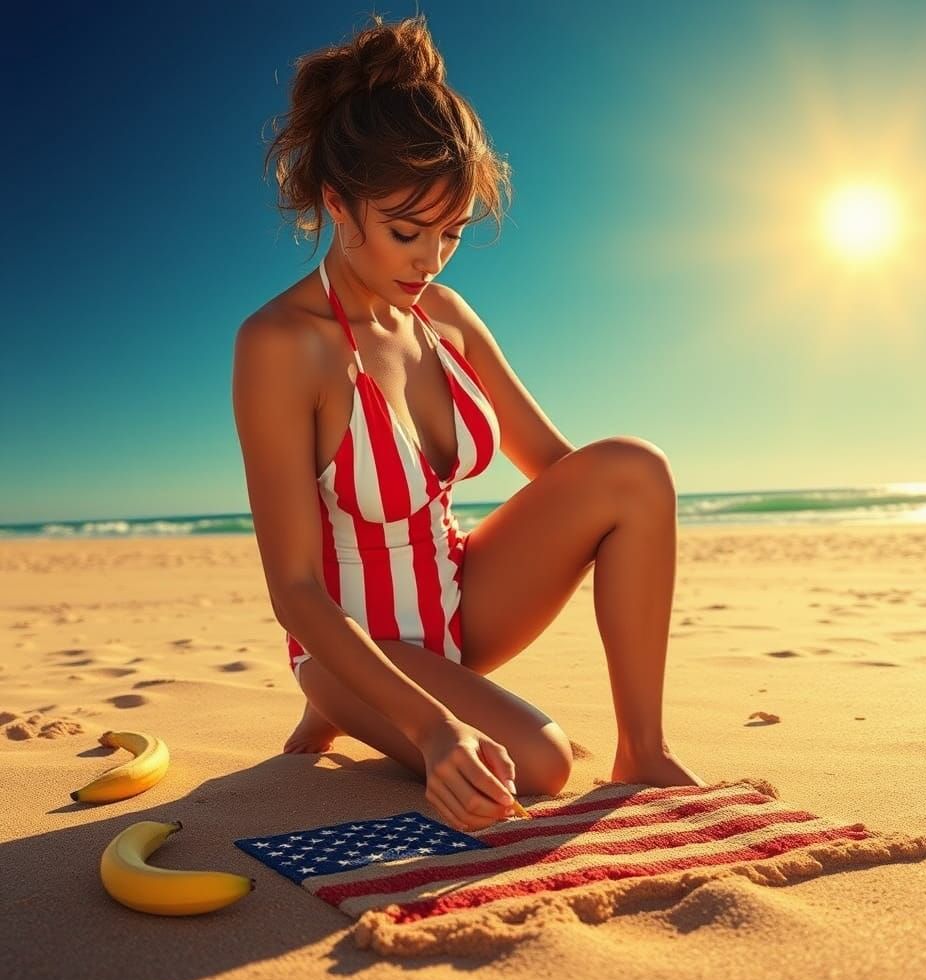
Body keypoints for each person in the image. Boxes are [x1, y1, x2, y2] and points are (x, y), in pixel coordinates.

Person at [232, 13, 706, 834]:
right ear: (337, 204)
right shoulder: (281, 345)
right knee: (541, 765)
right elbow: (295, 591)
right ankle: (340, 705)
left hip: (458, 608)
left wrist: (617, 534)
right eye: (405, 232)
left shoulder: (445, 316)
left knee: (633, 470)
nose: (430, 260)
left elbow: (564, 474)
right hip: (349, 645)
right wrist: (432, 728)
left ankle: (644, 749)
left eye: (450, 234)